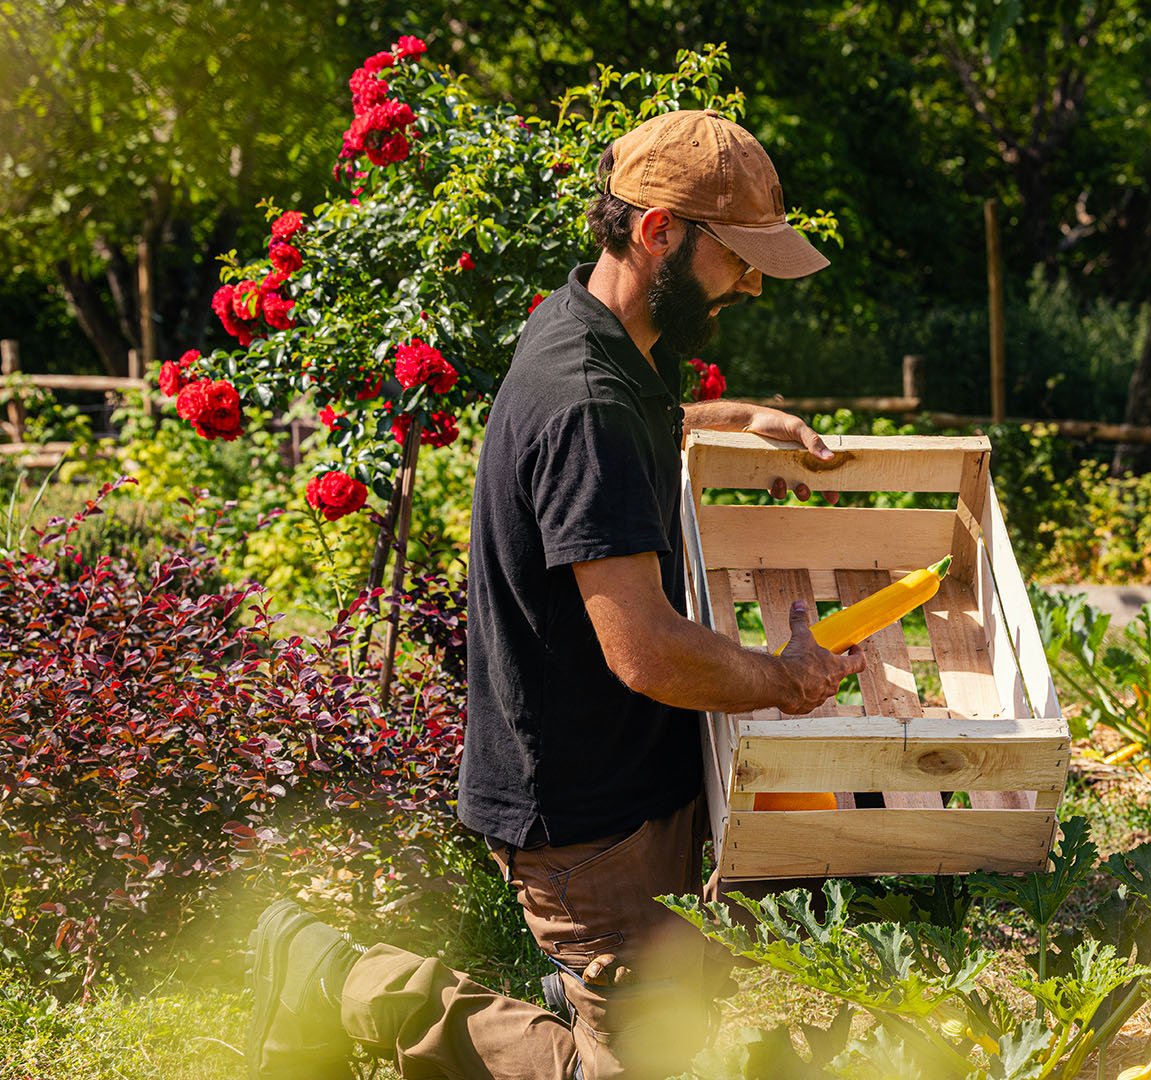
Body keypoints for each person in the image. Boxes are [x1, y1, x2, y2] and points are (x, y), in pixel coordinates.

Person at [244, 108, 866, 1080]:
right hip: (586, 814)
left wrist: (731, 419)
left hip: (627, 771)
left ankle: (588, 995)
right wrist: (785, 679)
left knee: (671, 1020)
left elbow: (625, 431)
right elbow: (646, 650)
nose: (751, 283)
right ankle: (327, 974)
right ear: (658, 230)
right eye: (738, 258)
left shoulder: (601, 331)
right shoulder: (586, 399)